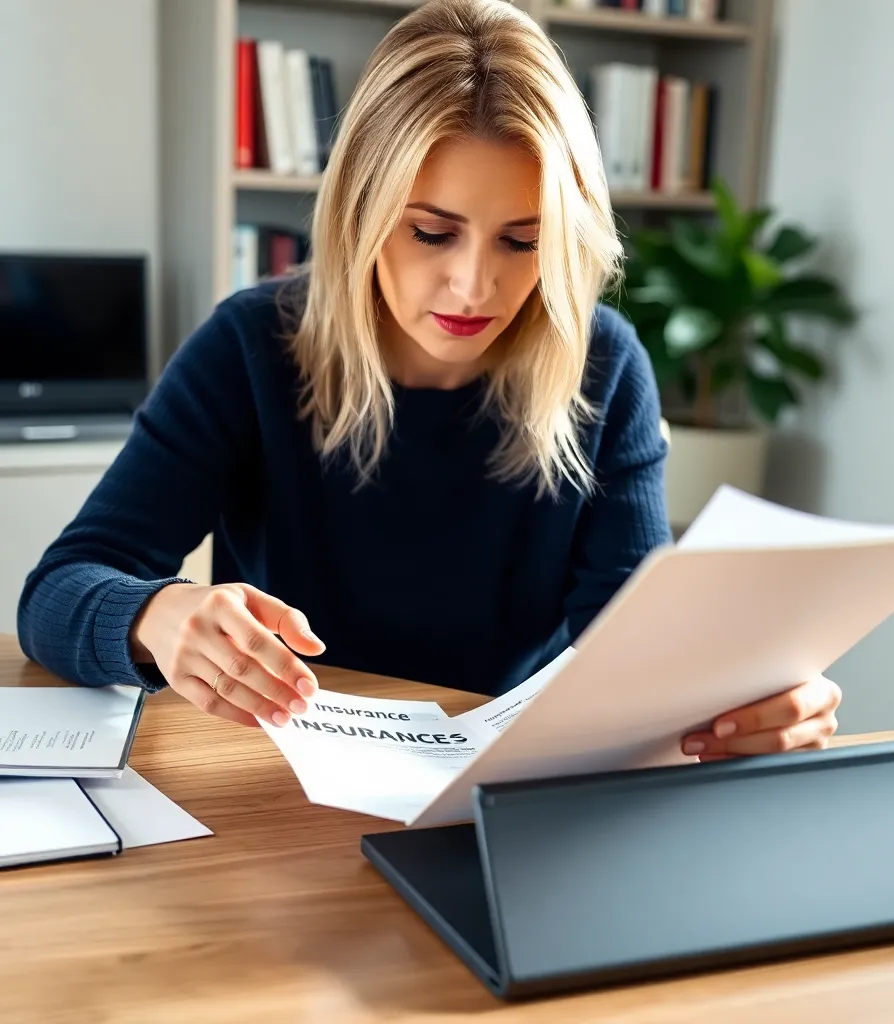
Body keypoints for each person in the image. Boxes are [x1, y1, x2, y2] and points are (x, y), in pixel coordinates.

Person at [17, 0, 840, 761]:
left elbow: (626, 644)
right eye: (432, 232)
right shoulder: (250, 346)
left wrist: (747, 697)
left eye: (524, 241)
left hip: (506, 783)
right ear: (362, 213)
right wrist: (156, 616)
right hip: (287, 782)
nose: (474, 287)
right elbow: (57, 592)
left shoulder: (603, 364)